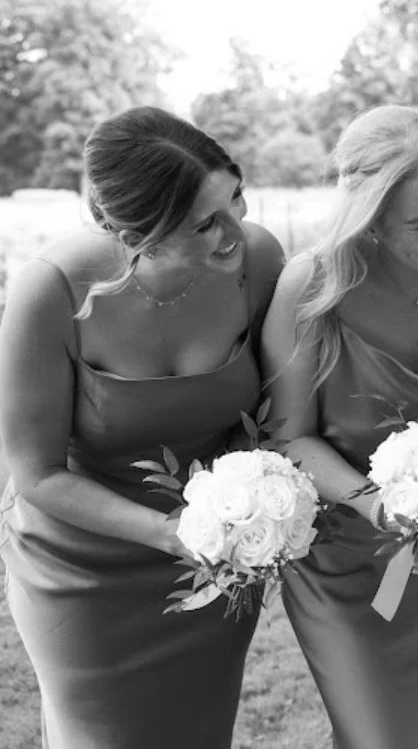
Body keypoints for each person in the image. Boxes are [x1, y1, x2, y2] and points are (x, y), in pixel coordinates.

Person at [0, 106, 283, 748]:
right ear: (133, 233)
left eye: (235, 199)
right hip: (83, 576)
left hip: (209, 566)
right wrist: (168, 531)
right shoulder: (50, 292)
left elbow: (273, 409)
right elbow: (37, 473)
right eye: (203, 224)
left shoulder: (257, 260)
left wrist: (251, 505)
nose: (234, 232)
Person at [261, 105, 418, 749]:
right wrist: (377, 507)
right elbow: (289, 435)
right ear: (368, 216)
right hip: (345, 564)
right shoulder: (312, 288)